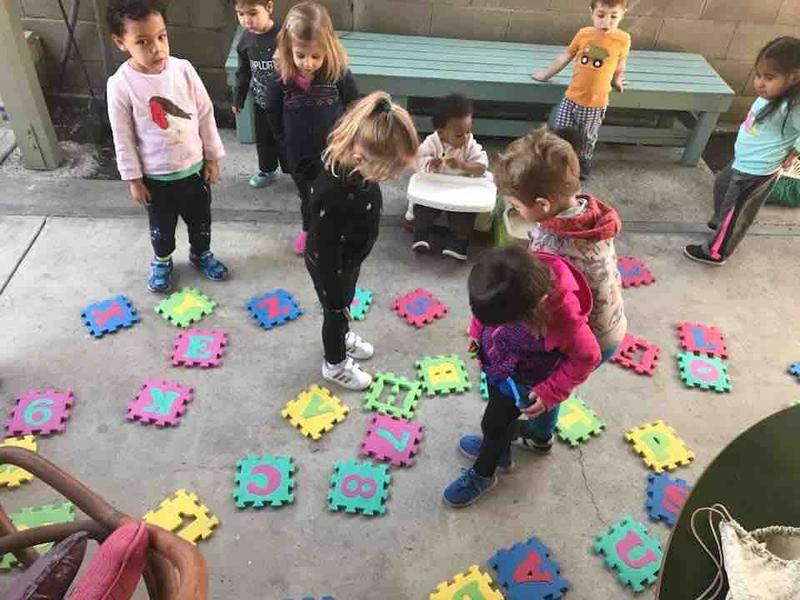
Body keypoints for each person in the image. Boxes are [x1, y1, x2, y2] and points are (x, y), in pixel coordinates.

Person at [444, 246, 601, 507]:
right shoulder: (512, 278)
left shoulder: (565, 321)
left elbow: (588, 358)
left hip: (522, 380)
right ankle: (501, 452)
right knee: (499, 422)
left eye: (500, 321)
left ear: (531, 310)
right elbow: (484, 313)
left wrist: (550, 392)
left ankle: (484, 474)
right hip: (497, 363)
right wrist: (476, 331)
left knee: (493, 424)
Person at [106, 0, 228, 293]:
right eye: (143, 42)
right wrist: (133, 180)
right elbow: (122, 137)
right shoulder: (121, 84)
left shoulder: (183, 70)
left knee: (201, 223)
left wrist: (212, 158)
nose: (156, 48)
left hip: (194, 171)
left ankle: (201, 254)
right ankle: (162, 260)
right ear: (120, 42)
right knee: (162, 230)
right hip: (156, 180)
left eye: (161, 37)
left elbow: (204, 114)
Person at [306, 92, 418, 390]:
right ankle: (335, 363)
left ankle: (341, 336)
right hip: (332, 266)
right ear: (360, 158)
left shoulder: (358, 170)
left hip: (349, 259)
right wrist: (333, 291)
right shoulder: (332, 192)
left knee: (345, 305)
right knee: (335, 312)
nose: (392, 177)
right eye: (389, 171)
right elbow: (325, 246)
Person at [685, 36, 800, 266]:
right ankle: (721, 222)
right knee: (721, 185)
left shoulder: (792, 106)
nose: (759, 83)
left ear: (794, 77)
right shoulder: (770, 97)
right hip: (742, 160)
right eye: (758, 75)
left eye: (769, 78)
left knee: (736, 212)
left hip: (757, 170)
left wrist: (795, 151)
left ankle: (716, 251)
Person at [265, 1, 359, 255]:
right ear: (288, 48)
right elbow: (271, 110)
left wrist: (351, 141)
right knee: (308, 195)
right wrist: (282, 141)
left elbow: (354, 106)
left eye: (316, 56)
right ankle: (309, 228)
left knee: (337, 191)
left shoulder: (338, 74)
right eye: (301, 55)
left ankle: (337, 228)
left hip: (334, 151)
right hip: (299, 153)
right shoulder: (281, 79)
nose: (308, 63)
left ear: (328, 47)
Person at [532, 0, 630, 179]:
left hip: (595, 103)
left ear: (623, 14)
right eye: (601, 15)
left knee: (587, 137)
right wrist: (546, 74)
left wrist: (617, 80)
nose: (606, 22)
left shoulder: (623, 39)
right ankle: (557, 160)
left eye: (613, 17)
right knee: (560, 130)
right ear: (592, 12)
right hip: (571, 98)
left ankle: (582, 163)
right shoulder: (584, 34)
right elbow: (566, 55)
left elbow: (620, 63)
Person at [411, 94, 489, 261]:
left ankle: (459, 242)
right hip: (435, 188)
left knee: (465, 214)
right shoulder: (432, 142)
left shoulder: (470, 145)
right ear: (441, 133)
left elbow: (482, 167)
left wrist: (463, 165)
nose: (466, 137)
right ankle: (421, 234)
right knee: (423, 208)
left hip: (461, 191)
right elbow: (416, 160)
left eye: (469, 131)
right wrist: (430, 163)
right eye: (460, 134)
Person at [232, 0, 282, 189]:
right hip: (261, 102)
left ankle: (297, 170)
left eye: (252, 13)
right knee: (264, 140)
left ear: (269, 7)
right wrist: (238, 98)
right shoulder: (245, 40)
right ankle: (268, 170)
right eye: (240, 14)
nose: (246, 20)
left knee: (288, 140)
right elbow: (243, 72)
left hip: (286, 105)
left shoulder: (283, 36)